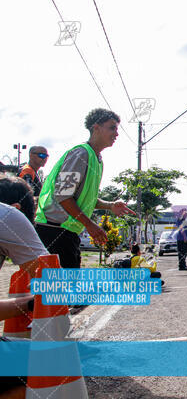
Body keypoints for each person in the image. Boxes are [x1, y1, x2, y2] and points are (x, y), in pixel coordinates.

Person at [35, 108, 135, 269]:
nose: (116, 134)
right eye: (112, 128)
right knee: (59, 289)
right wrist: (90, 225)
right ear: (96, 128)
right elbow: (63, 196)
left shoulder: (97, 159)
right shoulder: (81, 154)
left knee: (64, 288)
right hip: (54, 230)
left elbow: (84, 198)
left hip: (67, 231)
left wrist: (109, 205)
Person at [0, 176, 49, 398]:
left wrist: (29, 303)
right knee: (48, 364)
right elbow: (54, 283)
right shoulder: (8, 215)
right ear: (18, 208)